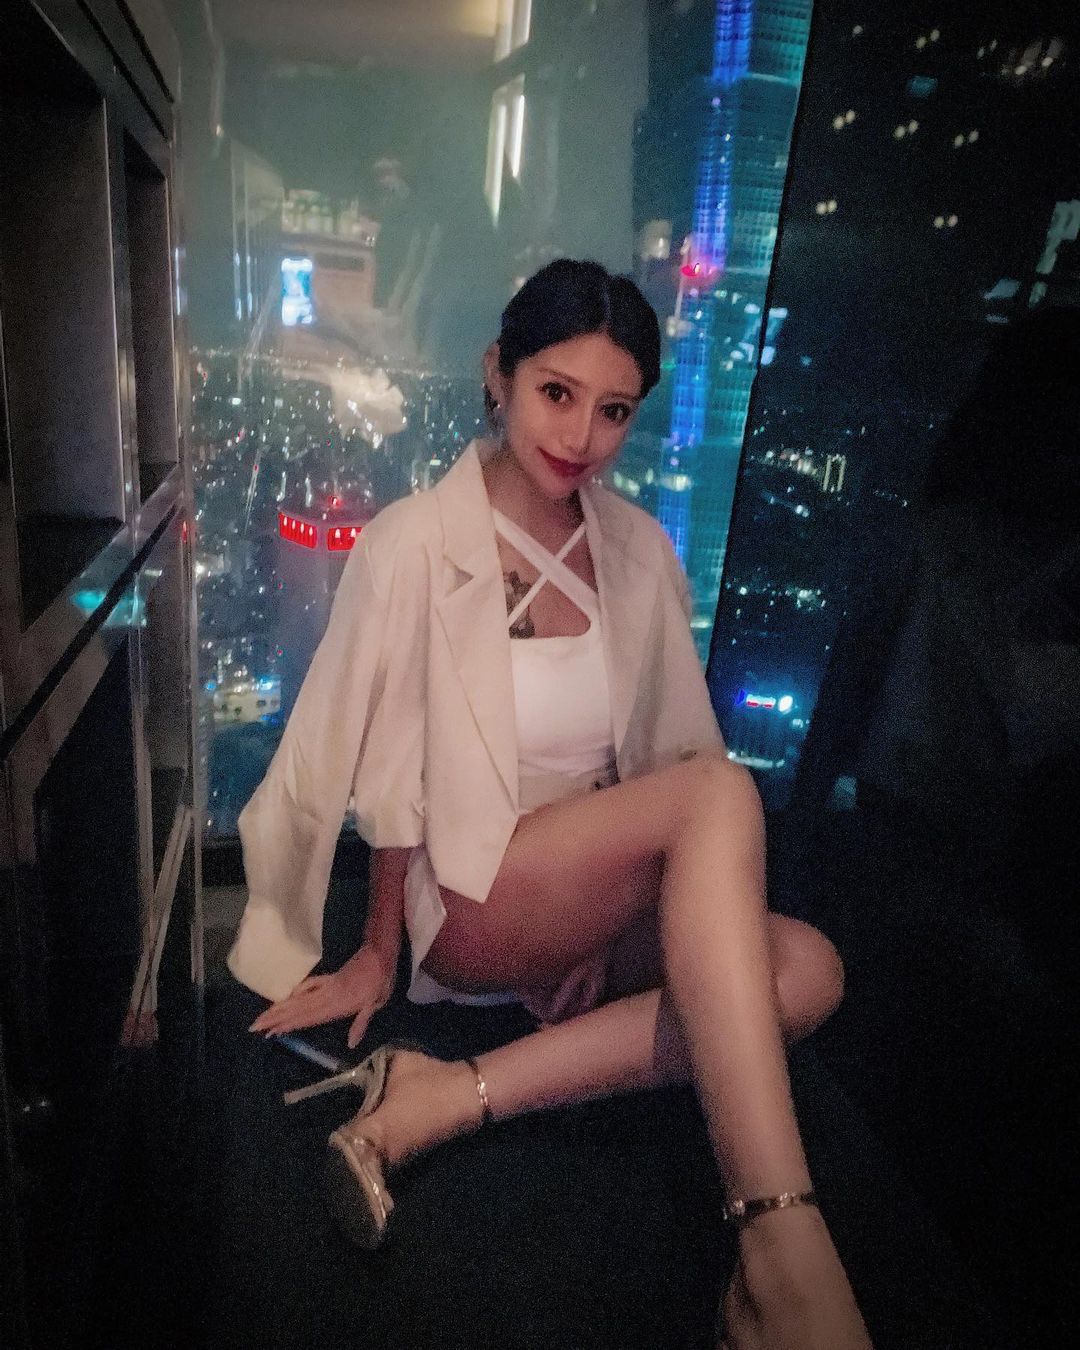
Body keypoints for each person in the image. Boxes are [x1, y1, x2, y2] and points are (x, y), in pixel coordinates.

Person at [229, 260, 871, 1350]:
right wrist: (379, 952)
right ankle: (779, 1243)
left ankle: (454, 1092)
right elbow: (388, 771)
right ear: (500, 374)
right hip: (474, 896)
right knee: (721, 796)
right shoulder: (414, 542)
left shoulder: (638, 552)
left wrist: (610, 916)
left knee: (808, 971)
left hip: (585, 892)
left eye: (613, 410)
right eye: (556, 393)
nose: (580, 435)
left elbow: (663, 757)